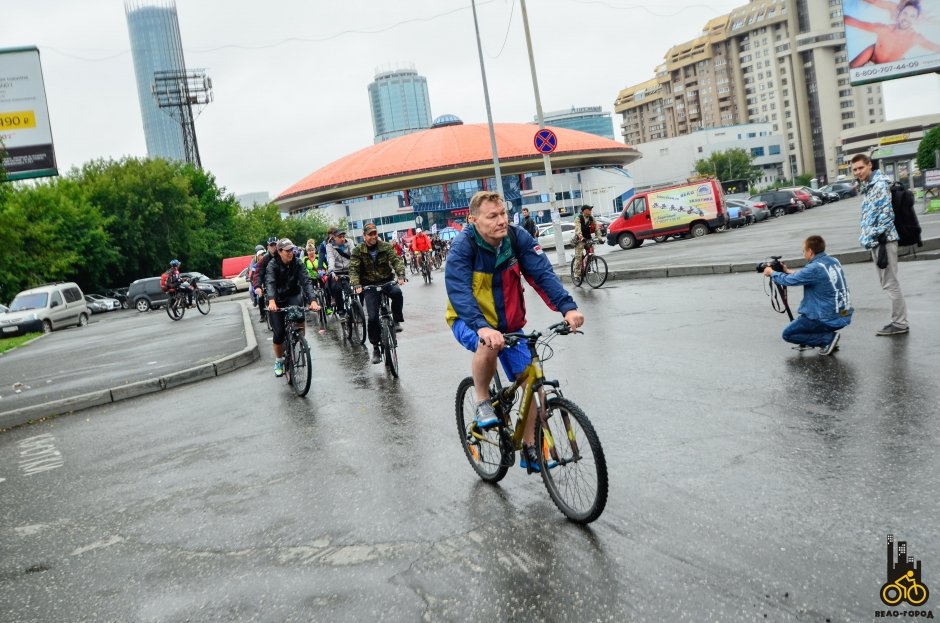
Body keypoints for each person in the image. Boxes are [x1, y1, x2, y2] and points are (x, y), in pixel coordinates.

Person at [445, 191, 583, 473]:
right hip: (469, 320)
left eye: (503, 214)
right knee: (488, 344)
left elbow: (542, 274)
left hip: (509, 326)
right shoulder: (463, 247)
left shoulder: (517, 238)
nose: (501, 221)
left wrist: (567, 308)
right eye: (492, 216)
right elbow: (459, 291)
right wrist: (482, 326)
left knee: (532, 384)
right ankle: (483, 400)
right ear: (473, 220)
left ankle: (531, 447)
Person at [762, 235, 853, 355]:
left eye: (803, 250)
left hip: (826, 318)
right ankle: (827, 338)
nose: (803, 253)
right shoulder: (833, 261)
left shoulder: (814, 267)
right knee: (803, 324)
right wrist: (786, 271)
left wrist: (772, 273)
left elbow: (789, 281)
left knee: (788, 334)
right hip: (844, 314)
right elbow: (810, 277)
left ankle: (828, 339)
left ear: (810, 251)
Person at [851, 153, 910, 336]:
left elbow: (886, 216)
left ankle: (900, 323)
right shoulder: (869, 186)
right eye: (854, 170)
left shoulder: (879, 185)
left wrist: (873, 235)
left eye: (861, 168)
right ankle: (899, 321)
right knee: (888, 282)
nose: (858, 172)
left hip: (883, 241)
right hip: (877, 241)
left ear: (870, 165)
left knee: (890, 283)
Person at [349, 223, 407, 364]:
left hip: (386, 281)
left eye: (375, 233)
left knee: (397, 293)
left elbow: (396, 260)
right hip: (369, 286)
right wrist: (356, 284)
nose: (373, 236)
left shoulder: (385, 246)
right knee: (373, 317)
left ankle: (397, 319)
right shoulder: (358, 250)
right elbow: (354, 269)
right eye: (370, 234)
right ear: (364, 236)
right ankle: (375, 348)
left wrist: (400, 274)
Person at [265, 238, 321, 377]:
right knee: (279, 333)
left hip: (293, 295)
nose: (291, 253)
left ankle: (301, 341)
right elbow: (270, 282)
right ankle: (279, 360)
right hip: (276, 299)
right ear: (279, 252)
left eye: (292, 250)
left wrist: (313, 300)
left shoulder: (298, 262)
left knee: (300, 315)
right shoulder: (272, 265)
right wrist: (271, 301)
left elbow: (306, 282)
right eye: (287, 250)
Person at [846, 0, 940, 67]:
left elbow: (934, 47)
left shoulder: (915, 37)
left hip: (893, 67)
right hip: (873, 61)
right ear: (899, 13)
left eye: (912, 16)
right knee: (871, 49)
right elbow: (856, 23)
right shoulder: (884, 27)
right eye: (905, 13)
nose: (907, 18)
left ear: (916, 19)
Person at [573, 205, 604, 281]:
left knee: (591, 253)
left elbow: (597, 229)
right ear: (584, 211)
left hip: (588, 238)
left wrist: (600, 238)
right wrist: (581, 237)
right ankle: (576, 274)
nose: (590, 211)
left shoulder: (592, 218)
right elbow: (578, 230)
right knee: (579, 256)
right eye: (589, 209)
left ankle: (587, 265)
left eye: (591, 210)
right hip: (580, 240)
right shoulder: (578, 218)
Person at [326, 230, 353, 317]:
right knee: (336, 288)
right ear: (334, 237)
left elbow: (354, 255)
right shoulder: (329, 246)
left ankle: (356, 306)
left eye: (343, 237)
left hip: (349, 269)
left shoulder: (350, 242)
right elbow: (331, 258)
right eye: (340, 237)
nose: (342, 239)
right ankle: (341, 309)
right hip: (337, 271)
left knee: (359, 286)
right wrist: (332, 271)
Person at [253, 236, 278, 323]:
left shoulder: (283, 255)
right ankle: (263, 315)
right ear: (268, 247)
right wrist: (258, 286)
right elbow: (258, 273)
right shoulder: (264, 259)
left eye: (275, 245)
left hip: (282, 284)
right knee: (261, 295)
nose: (274, 247)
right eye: (272, 245)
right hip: (268, 283)